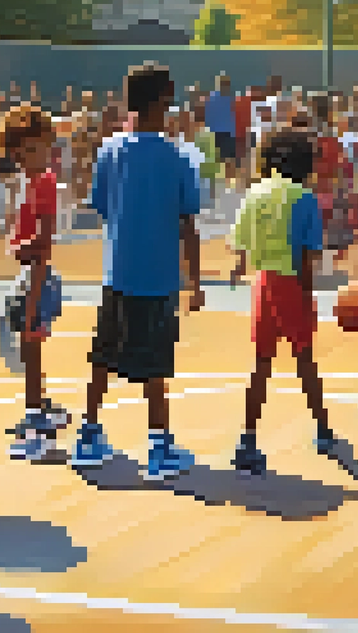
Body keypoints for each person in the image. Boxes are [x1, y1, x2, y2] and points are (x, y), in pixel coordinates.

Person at [73, 63, 206, 481]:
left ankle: (89, 433)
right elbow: (188, 223)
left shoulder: (110, 151)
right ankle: (158, 445)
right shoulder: (178, 156)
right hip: (159, 275)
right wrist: (196, 280)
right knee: (155, 363)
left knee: (103, 354)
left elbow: (102, 206)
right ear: (164, 103)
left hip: (118, 273)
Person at [228, 129, 335, 475]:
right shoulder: (304, 199)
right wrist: (307, 294)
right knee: (305, 359)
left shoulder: (255, 194)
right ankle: (322, 430)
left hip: (262, 283)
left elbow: (241, 247)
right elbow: (307, 257)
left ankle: (247, 439)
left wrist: (241, 268)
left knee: (261, 363)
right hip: (290, 282)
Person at [0, 105, 70, 462]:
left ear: (47, 145)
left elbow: (43, 245)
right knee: (28, 350)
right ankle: (43, 410)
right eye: (20, 151)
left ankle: (36, 425)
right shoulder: (32, 182)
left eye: (33, 149)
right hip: (31, 274)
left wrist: (33, 293)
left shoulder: (44, 183)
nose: (26, 157)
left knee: (31, 345)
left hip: (36, 275)